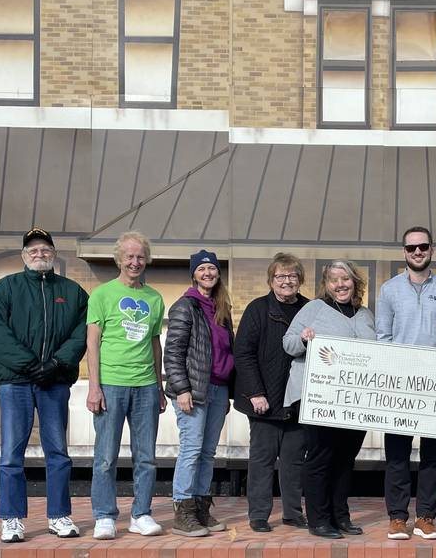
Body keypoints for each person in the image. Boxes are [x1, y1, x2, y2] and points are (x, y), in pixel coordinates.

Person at [0, 228, 88, 543]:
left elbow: (82, 333)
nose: (39, 254)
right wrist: (30, 365)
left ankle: (59, 515)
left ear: (53, 254)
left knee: (57, 451)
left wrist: (56, 364)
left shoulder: (73, 292)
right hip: (15, 382)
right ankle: (12, 519)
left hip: (54, 382)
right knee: (12, 451)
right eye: (33, 250)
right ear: (23, 256)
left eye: (44, 249)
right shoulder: (5, 289)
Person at [283, 260, 376, 539]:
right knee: (321, 456)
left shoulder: (366, 315)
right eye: (333, 280)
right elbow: (288, 343)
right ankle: (319, 519)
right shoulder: (314, 309)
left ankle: (340, 515)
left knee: (345, 458)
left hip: (353, 400)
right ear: (327, 284)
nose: (340, 285)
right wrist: (303, 337)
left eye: (345, 279)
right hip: (317, 396)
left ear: (355, 283)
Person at [86, 231, 166, 540]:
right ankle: (104, 516)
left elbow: (155, 344)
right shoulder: (102, 295)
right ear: (119, 259)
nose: (135, 262)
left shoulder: (154, 298)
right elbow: (92, 343)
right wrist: (95, 387)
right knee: (106, 456)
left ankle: (141, 514)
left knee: (145, 456)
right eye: (130, 256)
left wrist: (159, 386)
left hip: (146, 386)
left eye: (140, 257)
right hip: (111, 384)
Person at [376, 227, 436, 541]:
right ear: (404, 252)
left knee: (434, 454)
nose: (417, 252)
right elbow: (383, 337)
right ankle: (397, 517)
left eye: (423, 246)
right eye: (411, 248)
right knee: (397, 454)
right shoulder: (389, 290)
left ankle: (426, 518)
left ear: (432, 249)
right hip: (399, 384)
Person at [234, 253, 310, 532]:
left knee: (293, 461)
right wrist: (255, 392)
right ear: (271, 280)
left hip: (296, 401)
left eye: (292, 276)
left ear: (300, 279)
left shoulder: (310, 309)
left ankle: (292, 512)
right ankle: (258, 515)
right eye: (281, 276)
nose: (287, 281)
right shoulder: (257, 309)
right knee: (262, 460)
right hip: (264, 400)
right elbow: (243, 354)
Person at [164, 250, 235, 536]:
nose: (208, 273)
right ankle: (183, 510)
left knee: (207, 452)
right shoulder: (185, 306)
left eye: (212, 268)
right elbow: (173, 352)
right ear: (194, 274)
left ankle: (201, 507)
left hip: (218, 389)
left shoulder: (221, 308)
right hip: (192, 390)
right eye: (202, 268)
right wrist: (181, 388)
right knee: (191, 450)